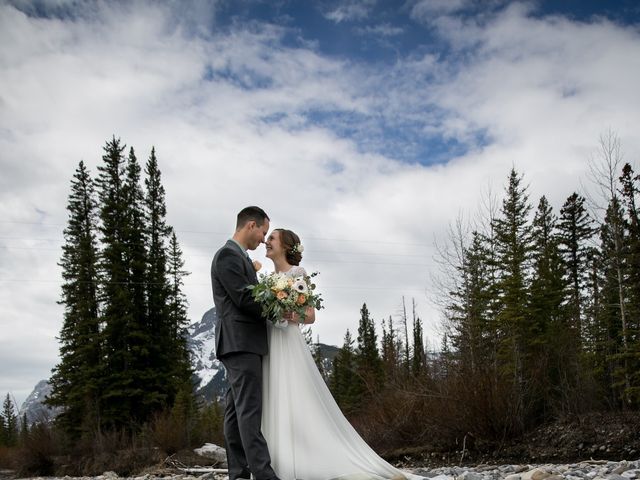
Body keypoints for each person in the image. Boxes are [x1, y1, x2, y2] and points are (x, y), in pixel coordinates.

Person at [262, 228, 419, 480]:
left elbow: (310, 316)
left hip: (288, 341)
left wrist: (290, 314)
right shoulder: (268, 279)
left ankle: (304, 458)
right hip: (270, 342)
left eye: (272, 239)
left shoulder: (297, 275)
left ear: (285, 246)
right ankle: (277, 458)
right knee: (273, 394)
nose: (266, 242)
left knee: (295, 395)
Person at [211, 206, 280, 480]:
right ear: (251, 225)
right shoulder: (228, 255)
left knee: (235, 411)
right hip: (240, 342)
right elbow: (244, 299)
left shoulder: (238, 257)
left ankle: (238, 473)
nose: (263, 239)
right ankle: (264, 474)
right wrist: (277, 304)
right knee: (250, 410)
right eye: (263, 232)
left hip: (240, 343)